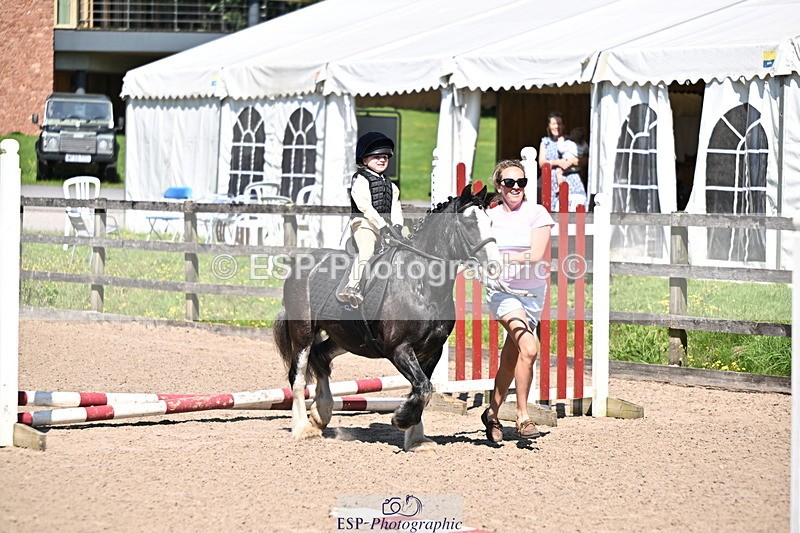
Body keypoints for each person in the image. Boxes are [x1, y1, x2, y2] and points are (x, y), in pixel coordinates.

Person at [481, 160, 554, 443]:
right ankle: (523, 416)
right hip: (503, 292)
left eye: (521, 182)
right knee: (529, 346)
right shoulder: (489, 217)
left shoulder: (537, 214)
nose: (516, 188)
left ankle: (492, 413)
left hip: (533, 294)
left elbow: (536, 255)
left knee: (512, 358)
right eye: (509, 183)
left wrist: (503, 258)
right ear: (499, 186)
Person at [338, 131, 407, 307]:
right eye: (377, 156)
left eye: (385, 157)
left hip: (386, 227)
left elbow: (395, 207)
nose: (382, 160)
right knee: (367, 250)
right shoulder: (360, 179)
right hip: (364, 225)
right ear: (365, 159)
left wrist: (398, 225)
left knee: (408, 244)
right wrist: (382, 225)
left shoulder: (391, 185)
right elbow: (364, 206)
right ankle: (351, 287)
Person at [538, 112, 587, 212]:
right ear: (549, 126)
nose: (556, 126)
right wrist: (558, 162)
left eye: (559, 124)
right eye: (554, 124)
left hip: (570, 175)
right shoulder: (545, 142)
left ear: (563, 126)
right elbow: (541, 162)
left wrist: (573, 161)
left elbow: (585, 159)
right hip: (552, 179)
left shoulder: (571, 140)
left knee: (575, 206)